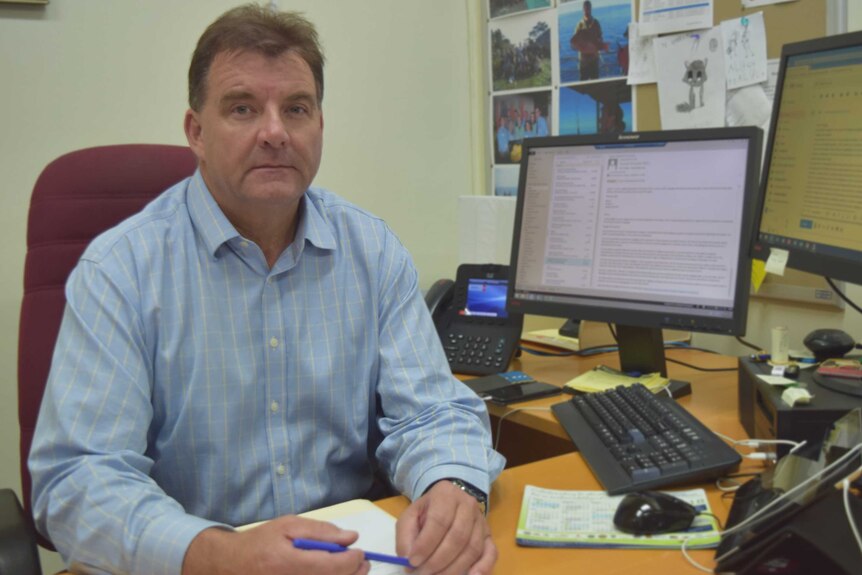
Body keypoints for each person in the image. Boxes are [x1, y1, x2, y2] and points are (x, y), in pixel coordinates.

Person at [28, 4, 505, 575]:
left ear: (320, 126)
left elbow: (430, 414)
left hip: (350, 554)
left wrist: (452, 485)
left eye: (296, 109)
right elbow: (79, 482)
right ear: (196, 132)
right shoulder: (121, 270)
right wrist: (218, 554)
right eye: (243, 108)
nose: (275, 132)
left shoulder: (372, 250)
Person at [571, 0, 604, 81]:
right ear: (583, 9)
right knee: (583, 84)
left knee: (595, 82)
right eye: (585, 9)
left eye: (588, 8)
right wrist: (580, 46)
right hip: (583, 61)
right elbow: (574, 44)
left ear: (591, 9)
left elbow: (601, 38)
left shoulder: (596, 23)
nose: (587, 11)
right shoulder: (579, 25)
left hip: (594, 60)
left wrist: (598, 44)